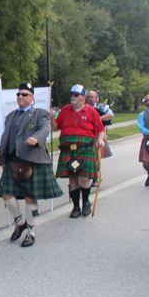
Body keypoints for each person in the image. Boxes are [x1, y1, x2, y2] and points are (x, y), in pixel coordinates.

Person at [0, 83, 63, 247]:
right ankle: (20, 222)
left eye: (24, 94)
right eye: (18, 94)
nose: (20, 97)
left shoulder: (40, 114)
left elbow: (45, 129)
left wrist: (36, 138)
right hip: (13, 160)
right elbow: (5, 139)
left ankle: (31, 232)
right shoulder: (10, 116)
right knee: (6, 193)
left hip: (33, 159)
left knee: (30, 196)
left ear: (32, 98)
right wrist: (3, 159)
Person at [50, 85, 105, 218]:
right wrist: (52, 117)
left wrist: (101, 140)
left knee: (84, 177)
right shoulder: (65, 110)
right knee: (73, 177)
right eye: (71, 94)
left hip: (85, 148)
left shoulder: (91, 111)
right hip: (68, 149)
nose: (73, 97)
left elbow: (100, 129)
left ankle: (86, 202)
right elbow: (55, 128)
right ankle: (76, 207)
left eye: (76, 94)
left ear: (83, 97)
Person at [86, 90, 114, 186]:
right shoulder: (83, 107)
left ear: (96, 98)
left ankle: (95, 178)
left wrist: (97, 118)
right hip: (86, 135)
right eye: (88, 97)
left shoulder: (102, 107)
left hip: (98, 135)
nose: (90, 99)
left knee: (96, 158)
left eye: (92, 97)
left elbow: (110, 115)